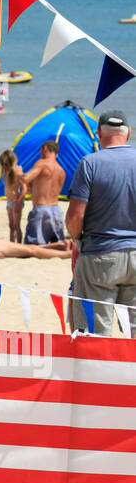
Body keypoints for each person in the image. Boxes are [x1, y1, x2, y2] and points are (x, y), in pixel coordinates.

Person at [67, 110, 136, 335]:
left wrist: (78, 238)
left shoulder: (90, 163)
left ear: (98, 133)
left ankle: (96, 370)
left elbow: (75, 217)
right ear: (129, 133)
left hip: (99, 254)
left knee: (94, 332)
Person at [21, 139, 66, 243]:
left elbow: (25, 178)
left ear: (45, 149)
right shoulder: (61, 171)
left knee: (33, 245)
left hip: (41, 209)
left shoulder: (42, 163)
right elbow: (47, 187)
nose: (40, 153)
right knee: (55, 243)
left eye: (40, 150)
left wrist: (18, 173)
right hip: (56, 210)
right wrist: (31, 186)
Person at [0, 148, 25, 242]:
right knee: (11, 225)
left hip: (16, 200)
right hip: (9, 201)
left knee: (17, 225)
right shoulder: (6, 172)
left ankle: (18, 244)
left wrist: (19, 200)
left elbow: (24, 187)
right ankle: (12, 243)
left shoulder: (17, 171)